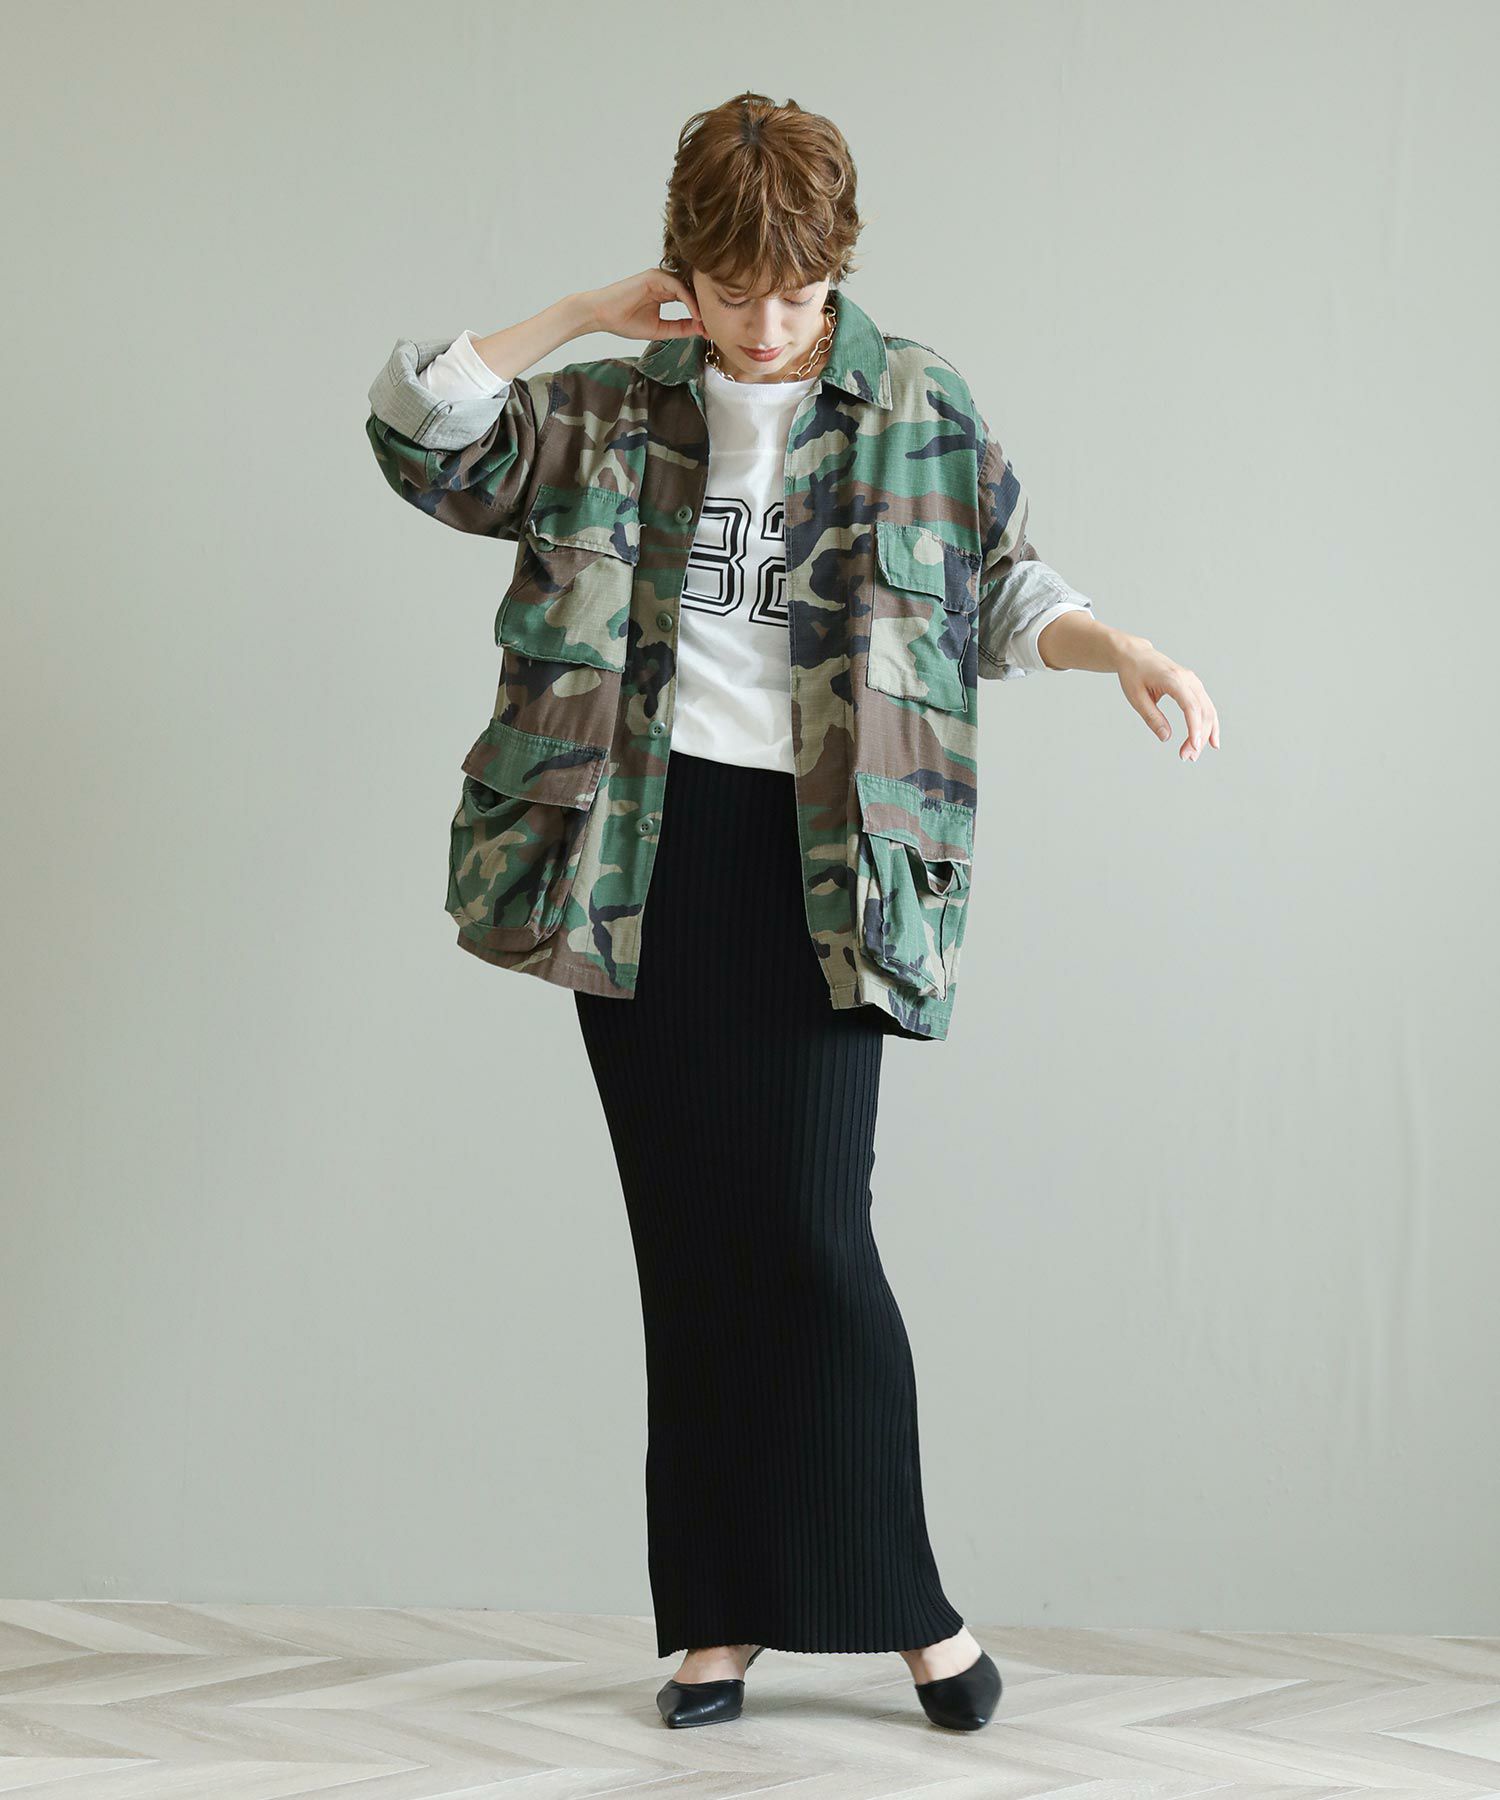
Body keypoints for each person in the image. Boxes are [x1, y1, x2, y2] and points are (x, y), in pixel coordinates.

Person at [366, 91, 1219, 1735]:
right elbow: (427, 440)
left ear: (841, 269)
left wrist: (1121, 650)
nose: (771, 324)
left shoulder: (914, 401)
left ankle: (911, 1609)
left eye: (803, 291)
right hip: (632, 851)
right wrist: (578, 313)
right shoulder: (607, 407)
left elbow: (1002, 583)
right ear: (685, 269)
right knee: (690, 1243)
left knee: (814, 1238)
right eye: (737, 288)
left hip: (830, 858)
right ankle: (720, 1621)